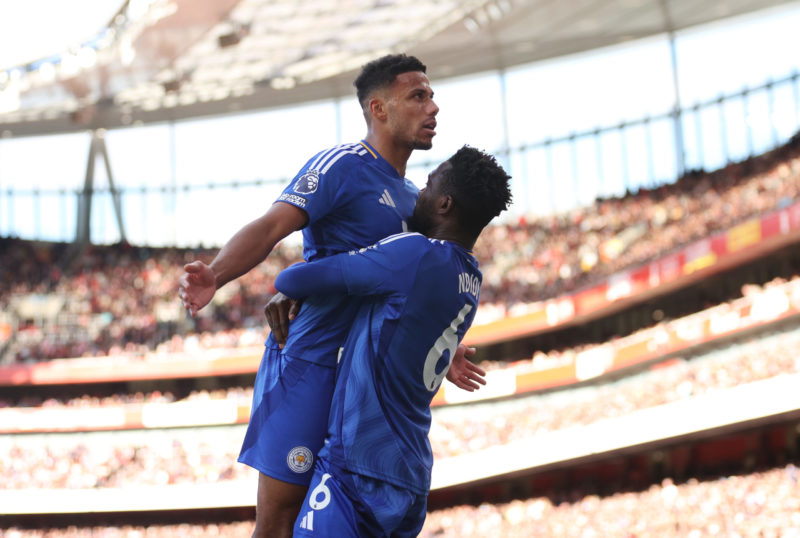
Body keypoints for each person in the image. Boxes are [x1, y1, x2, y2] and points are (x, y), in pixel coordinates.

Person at [177, 54, 484, 538]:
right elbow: (273, 225)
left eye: (432, 95)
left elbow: (412, 288)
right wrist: (216, 274)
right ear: (379, 109)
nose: (434, 107)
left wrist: (442, 348)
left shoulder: (415, 201)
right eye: (418, 96)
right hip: (312, 365)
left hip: (365, 390)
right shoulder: (342, 166)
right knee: (279, 521)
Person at [273, 146, 513, 537]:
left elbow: (290, 281)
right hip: (411, 476)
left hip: (359, 465)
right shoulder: (472, 279)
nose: (419, 189)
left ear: (444, 204)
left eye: (430, 183)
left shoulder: (414, 253)